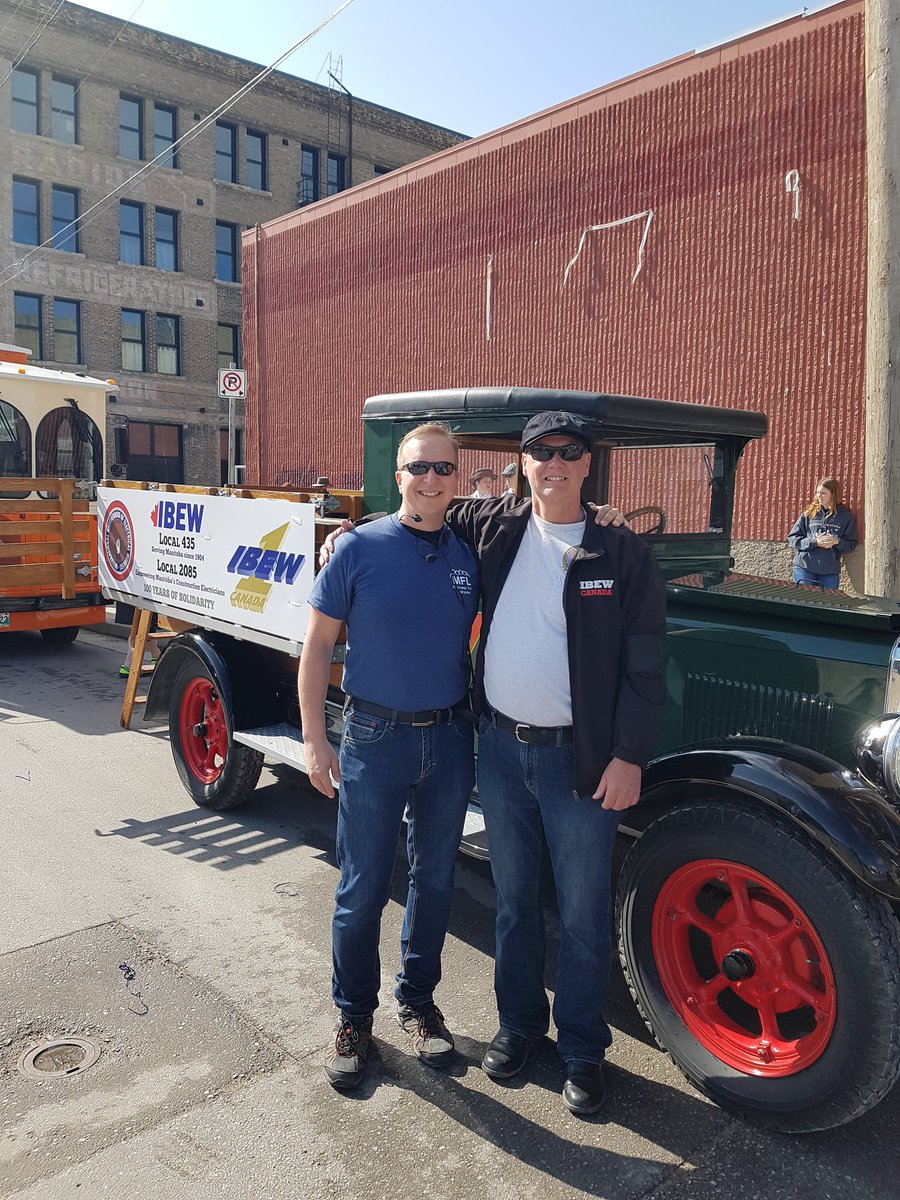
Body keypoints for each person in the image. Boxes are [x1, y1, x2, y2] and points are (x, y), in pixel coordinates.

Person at [320, 411, 664, 1115]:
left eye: (569, 452)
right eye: (542, 452)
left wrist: (629, 755)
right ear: (523, 464)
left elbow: (645, 668)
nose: (555, 464)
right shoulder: (496, 527)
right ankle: (517, 1029)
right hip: (501, 751)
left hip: (583, 761)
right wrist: (348, 532)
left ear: (588, 464)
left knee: (583, 914)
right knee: (511, 905)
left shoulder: (621, 552)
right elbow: (420, 507)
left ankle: (581, 1051)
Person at [298, 423, 479, 1090]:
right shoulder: (356, 549)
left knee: (434, 883)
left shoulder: (467, 555)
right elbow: (316, 650)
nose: (431, 479)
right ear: (397, 475)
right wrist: (316, 740)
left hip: (449, 739)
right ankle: (354, 1020)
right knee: (362, 890)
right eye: (417, 467)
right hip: (373, 738)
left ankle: (418, 1001)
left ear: (456, 479)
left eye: (443, 469)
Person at [787, 476, 858, 590]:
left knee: (826, 604)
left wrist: (837, 541)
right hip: (805, 567)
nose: (819, 496)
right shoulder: (809, 514)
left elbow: (851, 544)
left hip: (829, 572)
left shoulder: (845, 517)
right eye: (817, 492)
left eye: (823, 493)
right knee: (804, 602)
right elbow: (793, 538)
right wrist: (815, 542)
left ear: (833, 494)